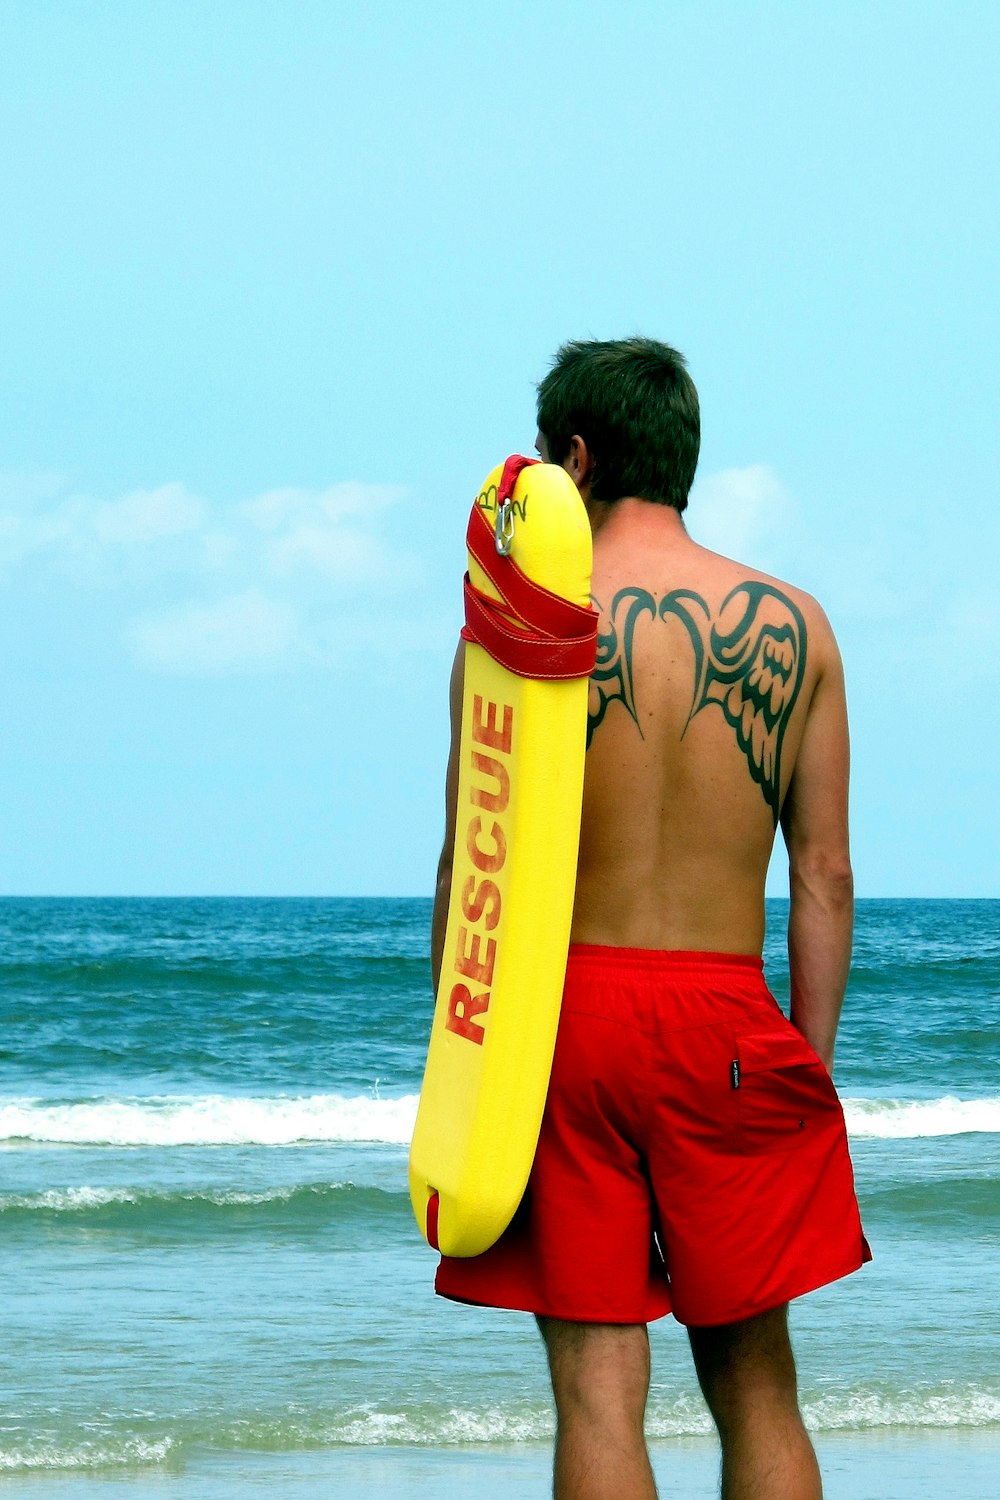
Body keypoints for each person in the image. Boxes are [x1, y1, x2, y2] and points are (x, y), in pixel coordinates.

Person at [430, 337, 869, 1500]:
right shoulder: (798, 624)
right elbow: (822, 875)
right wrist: (802, 1075)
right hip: (727, 1025)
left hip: (564, 1024)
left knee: (596, 1390)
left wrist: (466, 1066)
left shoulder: (518, 625)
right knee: (758, 1385)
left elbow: (471, 856)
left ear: (573, 460)